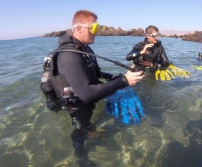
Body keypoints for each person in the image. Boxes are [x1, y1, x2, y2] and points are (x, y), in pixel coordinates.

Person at [53, 10, 144, 158]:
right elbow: (87, 94)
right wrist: (124, 81)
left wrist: (114, 77)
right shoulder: (69, 56)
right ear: (79, 28)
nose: (98, 32)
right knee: (80, 129)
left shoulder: (84, 49)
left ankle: (90, 129)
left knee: (88, 123)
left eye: (99, 27)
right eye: (94, 28)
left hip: (87, 97)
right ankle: (80, 155)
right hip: (77, 103)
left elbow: (97, 72)